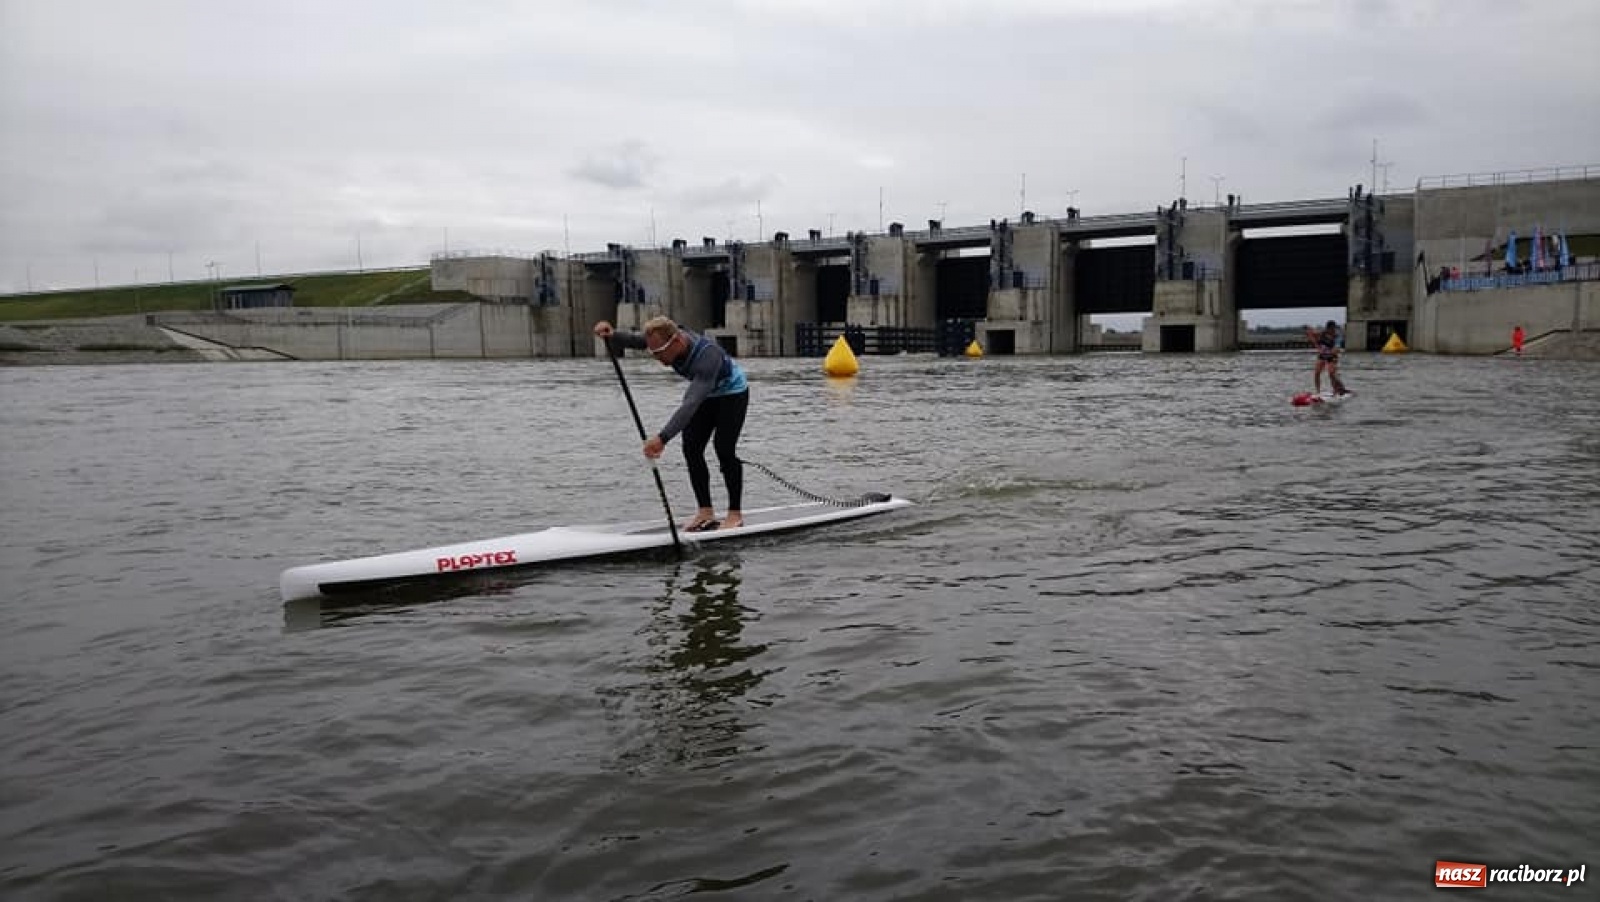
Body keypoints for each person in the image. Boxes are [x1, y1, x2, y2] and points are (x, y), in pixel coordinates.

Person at [594, 316, 749, 532]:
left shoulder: (707, 357)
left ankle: (735, 514)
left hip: (732, 395)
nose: (657, 358)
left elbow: (691, 403)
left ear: (676, 341)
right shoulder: (668, 339)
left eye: (659, 353)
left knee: (724, 449)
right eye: (653, 353)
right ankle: (705, 512)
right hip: (705, 395)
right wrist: (613, 335)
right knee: (692, 449)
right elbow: (640, 341)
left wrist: (662, 438)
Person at [1304, 319, 1348, 396]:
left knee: (1331, 374)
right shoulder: (1322, 333)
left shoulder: (1337, 336)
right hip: (1322, 355)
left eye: (1333, 329)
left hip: (1332, 356)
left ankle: (1336, 390)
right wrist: (1317, 347)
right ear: (1327, 328)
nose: (1331, 331)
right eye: (1329, 329)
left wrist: (1329, 352)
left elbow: (1336, 349)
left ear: (1334, 328)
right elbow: (1311, 335)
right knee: (1317, 373)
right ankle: (1318, 392)